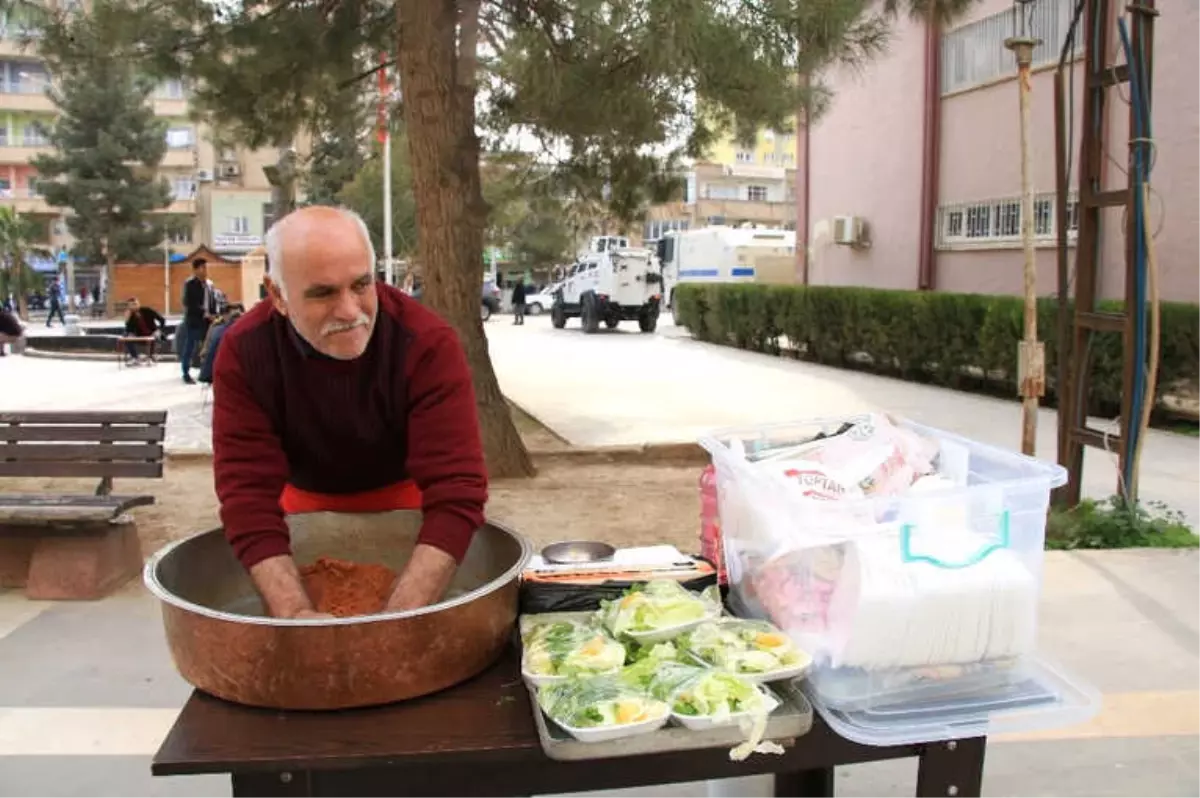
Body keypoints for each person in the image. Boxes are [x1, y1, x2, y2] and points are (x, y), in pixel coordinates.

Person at [211, 206, 488, 620]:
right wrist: (297, 617)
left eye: (362, 284)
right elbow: (247, 496)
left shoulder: (427, 344)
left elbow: (457, 490)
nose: (350, 311)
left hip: (409, 511)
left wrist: (397, 619)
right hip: (302, 514)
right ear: (278, 296)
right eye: (323, 293)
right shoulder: (244, 352)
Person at [179, 258, 216, 384]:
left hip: (208, 321)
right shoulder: (190, 284)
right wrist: (204, 313)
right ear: (195, 270)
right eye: (203, 268)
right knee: (190, 346)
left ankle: (206, 371)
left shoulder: (209, 284)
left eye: (206, 267)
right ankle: (186, 372)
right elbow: (189, 303)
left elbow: (212, 301)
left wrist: (213, 314)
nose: (205, 270)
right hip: (194, 320)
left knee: (207, 346)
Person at [122, 297, 167, 364]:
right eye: (131, 305)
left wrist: (159, 330)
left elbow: (162, 320)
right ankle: (135, 358)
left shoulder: (147, 310)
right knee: (126, 335)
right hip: (140, 335)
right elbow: (129, 329)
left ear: (139, 304)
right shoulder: (131, 315)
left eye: (135, 304)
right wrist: (127, 320)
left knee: (156, 336)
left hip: (152, 332)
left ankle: (151, 357)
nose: (134, 306)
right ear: (129, 307)